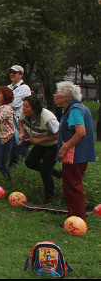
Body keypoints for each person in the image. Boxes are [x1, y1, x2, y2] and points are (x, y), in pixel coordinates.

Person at [54, 82, 96, 221]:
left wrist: (64, 148)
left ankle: (77, 220)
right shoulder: (77, 108)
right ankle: (74, 217)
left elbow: (80, 132)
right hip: (78, 155)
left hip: (75, 155)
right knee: (71, 186)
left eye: (57, 92)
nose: (54, 94)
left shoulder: (75, 109)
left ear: (66, 97)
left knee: (73, 188)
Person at [19, 95, 61, 204]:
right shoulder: (24, 113)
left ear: (35, 109)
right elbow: (20, 121)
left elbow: (60, 134)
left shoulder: (48, 119)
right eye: (23, 105)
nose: (23, 108)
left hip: (53, 145)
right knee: (29, 163)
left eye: (27, 106)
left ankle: (49, 200)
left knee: (45, 171)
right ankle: (58, 174)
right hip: (41, 143)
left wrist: (41, 139)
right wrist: (22, 132)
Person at [7, 65, 32, 167]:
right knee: (16, 145)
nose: (12, 74)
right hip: (9, 120)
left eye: (15, 72)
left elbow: (14, 104)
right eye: (11, 72)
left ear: (21, 75)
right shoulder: (8, 87)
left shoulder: (24, 88)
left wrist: (4, 103)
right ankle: (22, 165)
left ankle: (18, 166)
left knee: (19, 144)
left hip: (19, 121)